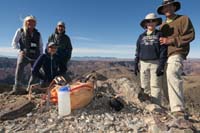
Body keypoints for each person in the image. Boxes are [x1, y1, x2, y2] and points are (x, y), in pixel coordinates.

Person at [157, 0, 195, 117]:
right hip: (164, 56)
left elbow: (190, 35)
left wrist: (171, 40)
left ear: (174, 7)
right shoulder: (163, 26)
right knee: (163, 82)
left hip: (177, 52)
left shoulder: (183, 19)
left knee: (172, 73)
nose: (167, 9)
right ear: (162, 11)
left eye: (169, 6)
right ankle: (173, 107)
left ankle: (178, 109)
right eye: (164, 7)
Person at [134, 13, 167, 105]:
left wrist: (161, 65)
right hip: (143, 63)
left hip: (155, 63)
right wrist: (136, 63)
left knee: (155, 85)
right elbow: (138, 50)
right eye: (148, 21)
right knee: (144, 86)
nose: (150, 23)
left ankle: (156, 106)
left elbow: (163, 51)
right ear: (145, 24)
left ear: (156, 23)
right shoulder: (141, 36)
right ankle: (147, 105)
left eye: (153, 21)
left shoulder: (160, 34)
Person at [11, 15, 43, 94]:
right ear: (25, 22)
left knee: (35, 71)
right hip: (24, 54)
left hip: (35, 55)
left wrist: (41, 56)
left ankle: (31, 88)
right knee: (20, 65)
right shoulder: (20, 31)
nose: (31, 23)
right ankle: (17, 87)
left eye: (33, 21)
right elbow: (14, 43)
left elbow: (41, 45)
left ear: (35, 23)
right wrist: (19, 50)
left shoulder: (38, 34)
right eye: (29, 21)